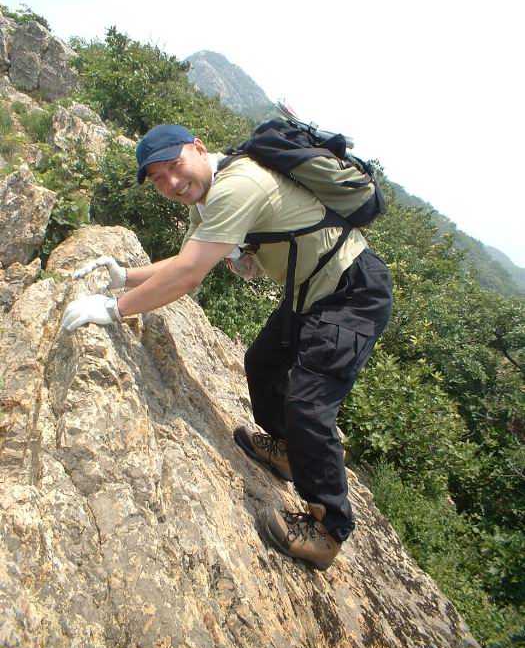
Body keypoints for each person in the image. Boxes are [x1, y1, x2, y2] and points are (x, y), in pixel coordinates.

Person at [62, 123, 393, 571]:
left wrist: (114, 308)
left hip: (351, 292)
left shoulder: (238, 184)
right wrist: (125, 276)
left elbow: (188, 276)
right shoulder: (208, 197)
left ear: (199, 148)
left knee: (309, 405)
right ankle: (288, 451)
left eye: (174, 165)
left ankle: (329, 529)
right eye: (158, 178)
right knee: (262, 363)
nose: (172, 182)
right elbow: (185, 260)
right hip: (311, 291)